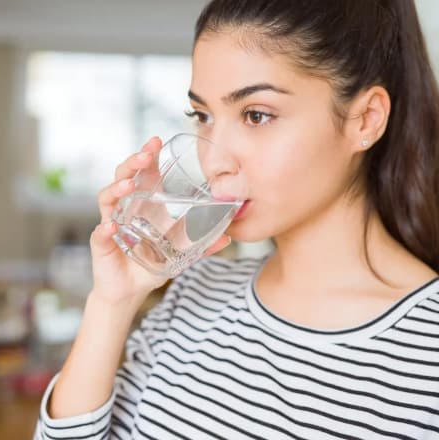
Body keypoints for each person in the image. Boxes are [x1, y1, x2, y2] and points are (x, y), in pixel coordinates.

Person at [34, 1, 439, 438]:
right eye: (203, 116)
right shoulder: (195, 291)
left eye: (256, 115)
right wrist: (112, 302)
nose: (214, 161)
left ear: (365, 118)